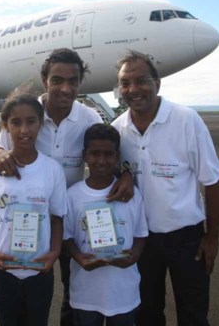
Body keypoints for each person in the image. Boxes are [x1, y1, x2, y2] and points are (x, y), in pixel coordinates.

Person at [0, 48, 135, 326]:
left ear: (80, 82)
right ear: (45, 80)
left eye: (73, 80)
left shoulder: (89, 118)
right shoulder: (28, 113)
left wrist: (126, 174)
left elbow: (110, 153)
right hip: (30, 221)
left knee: (74, 292)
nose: (65, 88)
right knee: (28, 295)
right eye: (57, 80)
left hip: (72, 221)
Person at [111, 50, 219, 326]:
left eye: (141, 80)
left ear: (157, 83)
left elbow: (212, 181)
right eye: (125, 83)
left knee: (194, 313)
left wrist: (212, 238)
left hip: (187, 239)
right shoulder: (117, 129)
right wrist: (123, 173)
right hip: (142, 239)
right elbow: (113, 170)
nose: (133, 89)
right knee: (147, 313)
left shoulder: (186, 120)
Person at [0, 93, 67, 326]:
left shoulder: (52, 170)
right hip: (3, 272)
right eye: (16, 122)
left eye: (31, 121)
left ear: (40, 124)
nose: (24, 130)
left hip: (39, 271)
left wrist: (53, 253)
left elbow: (57, 218)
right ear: (5, 126)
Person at [64, 124, 148, 326]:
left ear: (117, 156)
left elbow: (141, 233)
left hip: (123, 292)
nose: (101, 161)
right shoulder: (73, 195)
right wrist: (79, 258)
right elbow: (65, 236)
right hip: (86, 293)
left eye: (108, 154)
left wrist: (134, 256)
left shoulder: (130, 194)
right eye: (94, 154)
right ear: (85, 155)